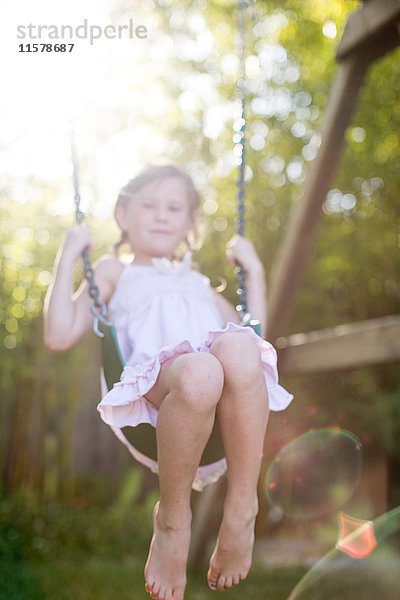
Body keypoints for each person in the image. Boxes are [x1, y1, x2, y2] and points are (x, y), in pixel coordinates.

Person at [44, 163, 293, 600]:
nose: (161, 216)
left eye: (174, 207)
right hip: (156, 402)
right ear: (123, 215)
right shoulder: (114, 273)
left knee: (237, 348)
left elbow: (255, 345)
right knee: (200, 369)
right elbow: (58, 334)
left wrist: (254, 273)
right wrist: (68, 254)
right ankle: (173, 520)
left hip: (222, 415)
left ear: (190, 224)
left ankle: (242, 506)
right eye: (149, 205)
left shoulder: (201, 286)